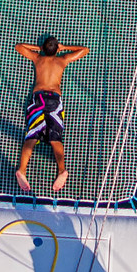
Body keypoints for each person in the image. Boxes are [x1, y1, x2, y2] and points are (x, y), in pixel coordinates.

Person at [14, 34, 89, 195]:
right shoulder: (61, 60)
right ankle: (62, 170)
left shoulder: (38, 58)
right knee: (55, 138)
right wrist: (64, 48)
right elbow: (85, 50)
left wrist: (38, 49)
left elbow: (19, 47)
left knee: (32, 136)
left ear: (44, 48)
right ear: (56, 49)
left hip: (38, 98)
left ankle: (22, 169)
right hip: (54, 100)